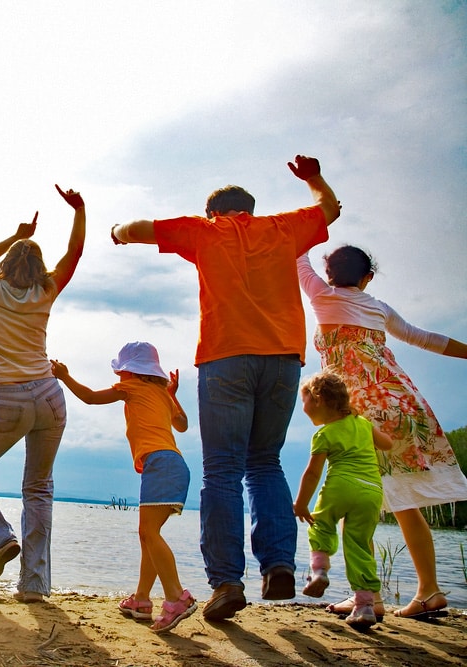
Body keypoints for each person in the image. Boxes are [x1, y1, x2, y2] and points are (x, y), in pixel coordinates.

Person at [110, 155, 340, 620]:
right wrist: (313, 178)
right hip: (283, 360)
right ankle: (277, 565)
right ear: (250, 210)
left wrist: (116, 231)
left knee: (221, 470)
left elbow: (137, 229)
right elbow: (330, 208)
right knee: (265, 462)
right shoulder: (283, 227)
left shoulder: (204, 230)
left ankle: (227, 582)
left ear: (215, 212)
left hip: (224, 357)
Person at [297, 245, 467, 620]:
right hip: (403, 404)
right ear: (367, 278)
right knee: (404, 503)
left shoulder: (321, 294)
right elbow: (426, 339)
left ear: (329, 276)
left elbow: (297, 255)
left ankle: (369, 596)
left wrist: (315, 209)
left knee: (354, 499)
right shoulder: (378, 307)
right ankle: (429, 590)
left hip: (363, 410)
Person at [0, 184, 85, 604]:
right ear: (38, 268)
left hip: (6, 399)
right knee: (38, 488)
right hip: (49, 395)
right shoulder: (45, 292)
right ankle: (33, 586)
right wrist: (79, 211)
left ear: (8, 262)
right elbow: (75, 255)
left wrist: (16, 234)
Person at [51, 343, 196, 633]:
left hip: (160, 464)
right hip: (174, 465)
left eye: (121, 370)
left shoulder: (131, 388)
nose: (119, 374)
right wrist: (172, 395)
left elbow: (91, 398)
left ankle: (177, 597)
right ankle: (141, 600)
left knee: (148, 533)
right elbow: (182, 425)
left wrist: (65, 376)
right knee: (148, 537)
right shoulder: (160, 393)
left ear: (130, 370)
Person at [292, 371, 393, 629]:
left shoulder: (324, 434)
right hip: (371, 491)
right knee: (359, 546)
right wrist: (370, 427)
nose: (302, 407)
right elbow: (387, 444)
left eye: (303, 400)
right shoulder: (363, 425)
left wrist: (301, 503)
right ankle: (365, 606)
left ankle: (320, 571)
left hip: (340, 485)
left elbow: (313, 473)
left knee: (322, 523)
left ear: (318, 400)